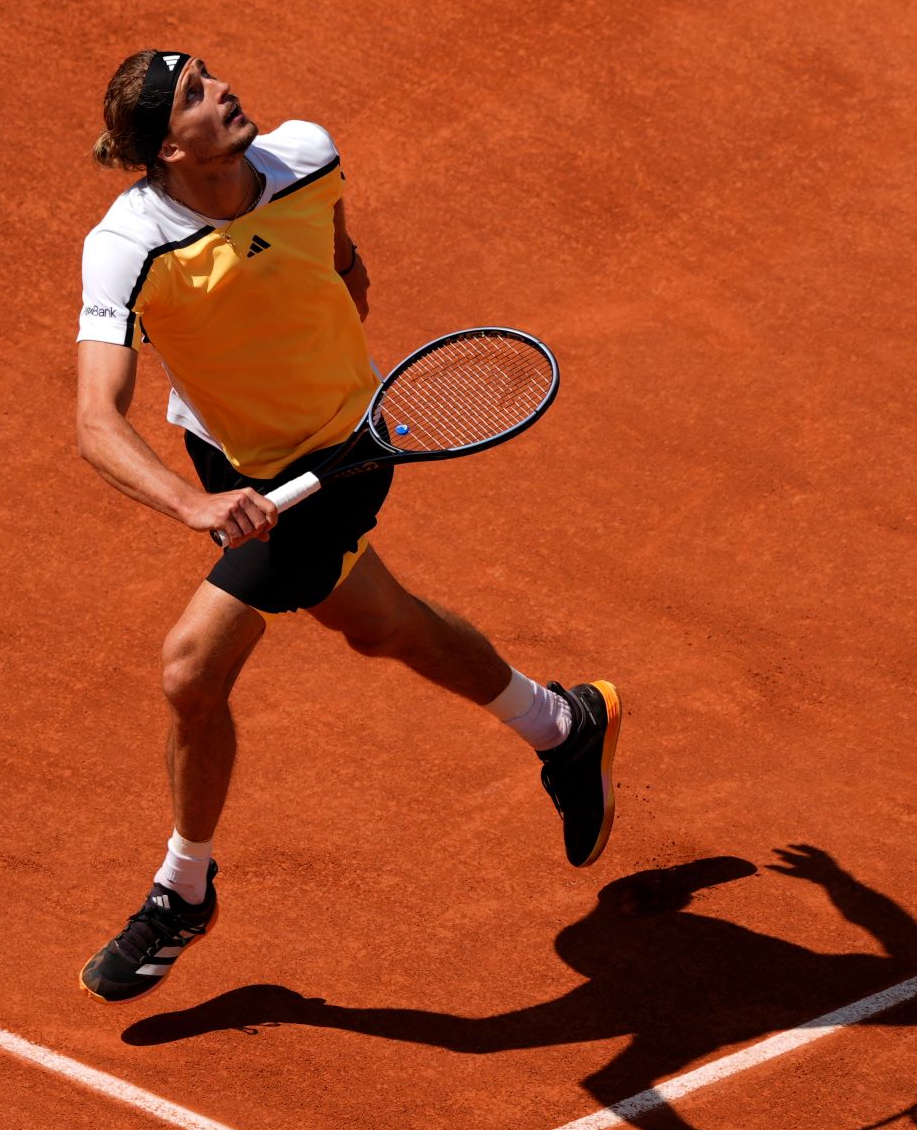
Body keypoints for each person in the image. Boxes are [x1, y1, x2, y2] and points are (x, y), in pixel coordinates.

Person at [71, 49, 620, 1002]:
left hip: (342, 456)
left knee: (189, 668)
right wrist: (192, 501)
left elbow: (335, 249)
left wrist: (346, 288)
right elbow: (94, 416)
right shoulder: (129, 245)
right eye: (197, 94)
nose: (225, 90)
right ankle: (562, 723)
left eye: (213, 73)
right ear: (166, 145)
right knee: (378, 624)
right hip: (223, 459)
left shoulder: (306, 156)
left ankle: (182, 888)